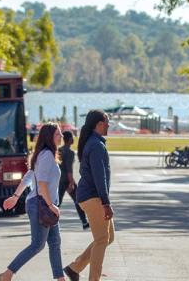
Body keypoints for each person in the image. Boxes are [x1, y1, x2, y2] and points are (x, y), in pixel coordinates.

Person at [0, 123, 65, 281]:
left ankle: (60, 278)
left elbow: (29, 177)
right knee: (37, 244)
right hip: (41, 205)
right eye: (58, 134)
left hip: (43, 204)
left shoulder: (43, 154)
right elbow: (41, 185)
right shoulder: (47, 155)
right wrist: (51, 206)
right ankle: (7, 274)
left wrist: (15, 197)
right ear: (49, 137)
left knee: (55, 242)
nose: (61, 137)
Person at [63, 110, 114, 281]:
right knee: (101, 240)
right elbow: (99, 176)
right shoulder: (96, 145)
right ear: (99, 124)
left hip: (92, 196)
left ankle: (74, 268)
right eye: (107, 121)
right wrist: (106, 203)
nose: (109, 124)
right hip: (93, 198)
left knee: (108, 237)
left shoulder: (94, 143)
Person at [58, 130, 89, 229]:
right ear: (69, 139)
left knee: (57, 202)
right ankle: (84, 222)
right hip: (67, 180)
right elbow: (69, 169)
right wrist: (71, 182)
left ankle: (49, 222)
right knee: (78, 200)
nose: (73, 139)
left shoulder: (59, 150)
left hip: (59, 180)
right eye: (72, 137)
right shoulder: (70, 152)